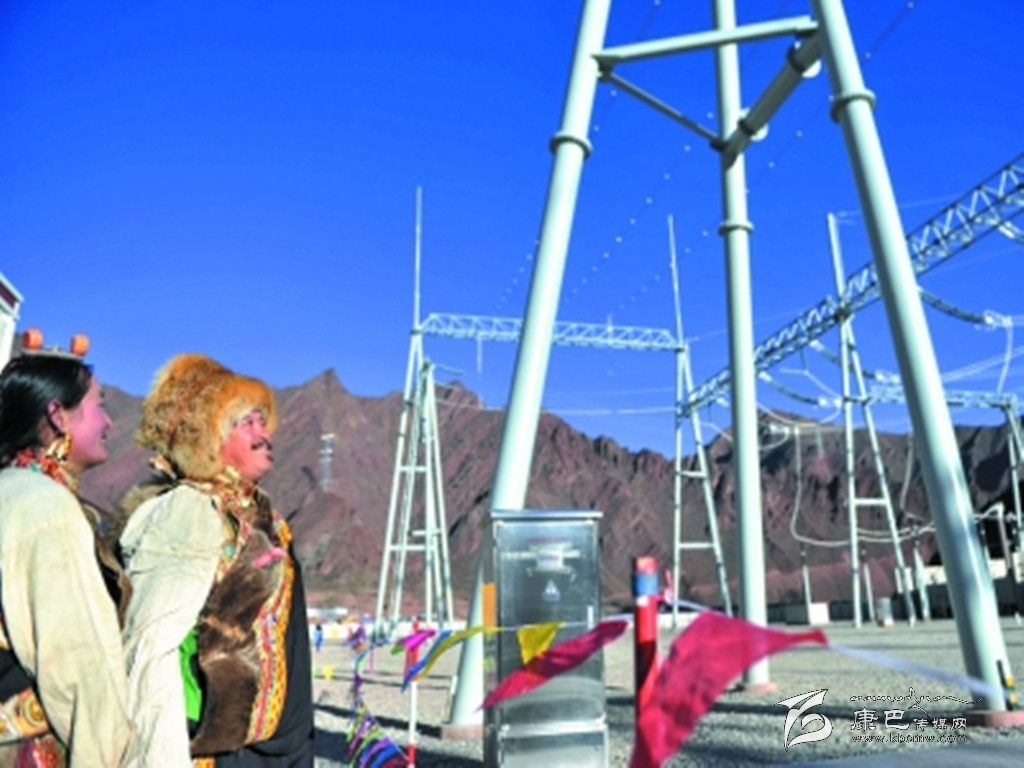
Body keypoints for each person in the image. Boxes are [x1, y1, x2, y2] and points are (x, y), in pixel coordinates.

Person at [119, 353, 313, 767]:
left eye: (263, 420)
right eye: (247, 423)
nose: (264, 433)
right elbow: (152, 645)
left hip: (274, 744)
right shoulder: (188, 510)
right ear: (206, 439)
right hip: (214, 748)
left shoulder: (265, 515)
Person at [0, 346, 135, 766]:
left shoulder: (10, 490)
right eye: (99, 405)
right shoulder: (47, 507)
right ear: (58, 415)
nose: (109, 422)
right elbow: (77, 661)